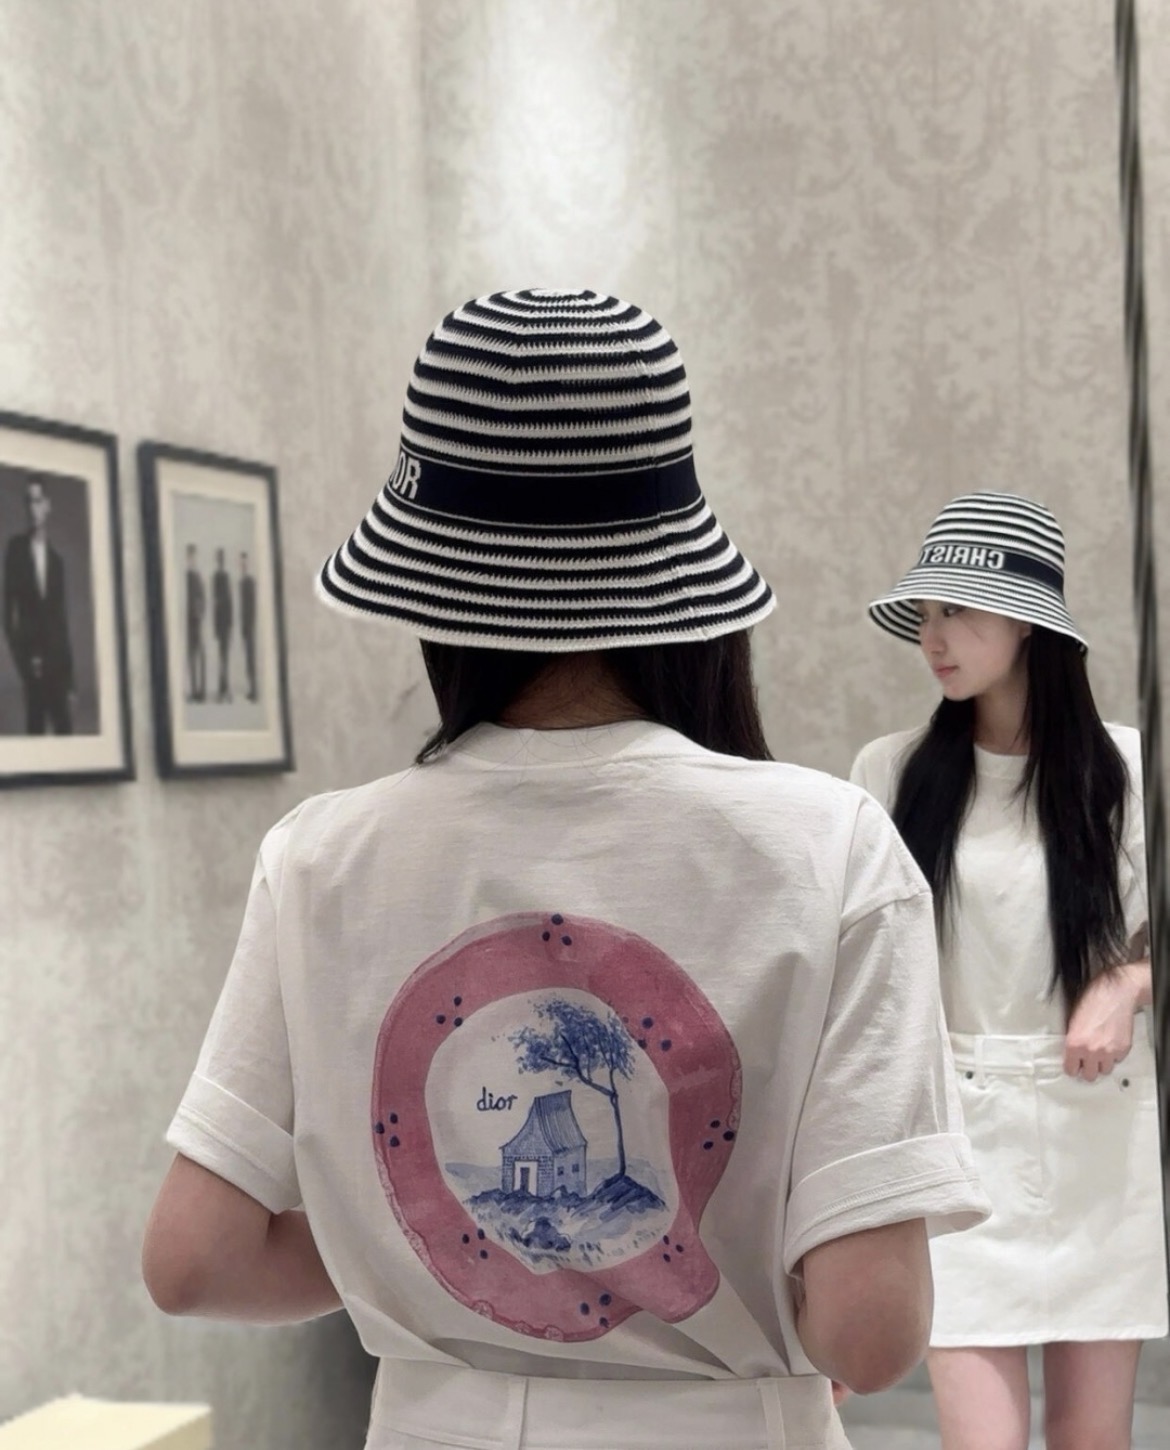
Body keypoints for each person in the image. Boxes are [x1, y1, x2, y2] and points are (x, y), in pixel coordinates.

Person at [142, 289, 992, 1450]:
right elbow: (871, 1331)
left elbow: (194, 1259)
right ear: (682, 579)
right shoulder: (828, 846)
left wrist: (433, 1244)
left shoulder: (318, 859)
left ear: (431, 591)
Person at [851, 492, 1169, 1450]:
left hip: (1097, 1131)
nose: (933, 637)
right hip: (958, 1143)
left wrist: (1127, 983)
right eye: (926, 613)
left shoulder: (1127, 769)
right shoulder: (891, 772)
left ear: (1029, 623)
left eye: (958, 610)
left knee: (1092, 1438)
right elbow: (861, 976)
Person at [2, 477, 74, 735]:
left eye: (38, 500)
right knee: (36, 733)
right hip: (32, 667)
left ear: (47, 505)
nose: (33, 508)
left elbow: (61, 620)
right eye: (28, 502)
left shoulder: (57, 561)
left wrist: (71, 680)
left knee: (66, 735)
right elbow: (7, 613)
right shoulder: (16, 549)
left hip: (58, 668)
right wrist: (24, 662)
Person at [185, 543, 207, 703]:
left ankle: (202, 691)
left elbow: (203, 598)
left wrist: (199, 614)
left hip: (197, 621)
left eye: (193, 556)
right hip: (188, 621)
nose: (191, 559)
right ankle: (194, 690)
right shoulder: (185, 576)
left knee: (200, 654)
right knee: (191, 655)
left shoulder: (198, 576)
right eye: (189, 556)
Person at [212, 546, 233, 703]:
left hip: (225, 623)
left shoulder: (225, 576)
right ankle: (222, 688)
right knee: (222, 656)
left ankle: (225, 688)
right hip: (220, 623)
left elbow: (229, 601)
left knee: (225, 656)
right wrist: (215, 626)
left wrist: (230, 623)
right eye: (219, 559)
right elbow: (215, 602)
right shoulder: (216, 577)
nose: (220, 561)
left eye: (221, 559)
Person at [239, 550, 257, 702]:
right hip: (245, 625)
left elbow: (252, 605)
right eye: (241, 563)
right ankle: (251, 688)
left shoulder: (250, 582)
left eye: (244, 562)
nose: (242, 565)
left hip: (250, 626)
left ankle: (254, 689)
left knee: (252, 658)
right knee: (247, 658)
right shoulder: (241, 582)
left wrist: (250, 624)